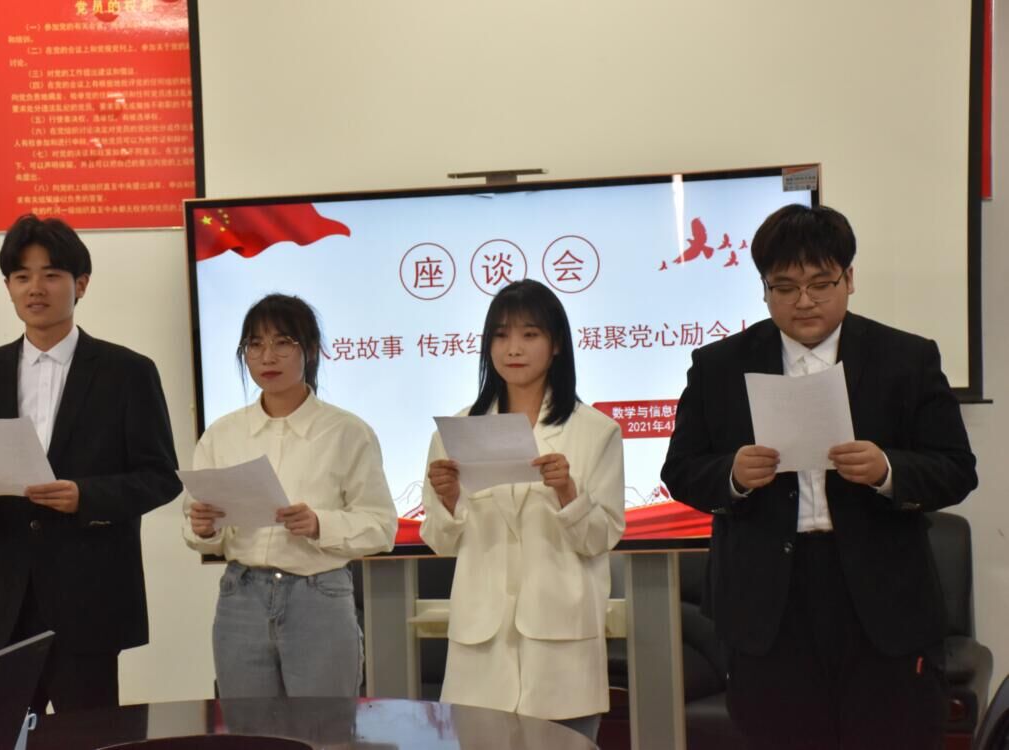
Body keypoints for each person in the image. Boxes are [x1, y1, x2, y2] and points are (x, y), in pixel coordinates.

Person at [661, 204, 978, 749]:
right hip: (768, 604)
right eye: (784, 287)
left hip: (881, 600)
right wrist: (732, 475)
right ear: (764, 289)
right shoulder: (719, 366)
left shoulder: (906, 358)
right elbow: (682, 470)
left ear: (849, 279)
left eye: (820, 284)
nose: (803, 301)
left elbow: (956, 469)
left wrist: (887, 469)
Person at [0, 214, 182, 712]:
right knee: (4, 737)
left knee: (88, 738)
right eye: (21, 276)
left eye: (51, 275)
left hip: (89, 601)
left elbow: (160, 477)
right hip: (5, 605)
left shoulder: (127, 372)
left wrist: (86, 496)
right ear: (8, 286)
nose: (35, 288)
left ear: (80, 284)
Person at [419, 279, 625, 742]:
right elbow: (440, 542)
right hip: (481, 646)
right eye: (501, 335)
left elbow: (602, 537)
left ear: (556, 345)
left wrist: (568, 493)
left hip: (560, 645)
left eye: (530, 334)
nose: (513, 348)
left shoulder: (595, 431)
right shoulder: (457, 431)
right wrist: (449, 501)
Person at [182, 294, 397, 698]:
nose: (268, 357)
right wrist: (204, 527)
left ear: (311, 350)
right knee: (249, 727)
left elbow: (382, 526)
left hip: (318, 594)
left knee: (324, 726)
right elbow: (196, 528)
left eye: (283, 343)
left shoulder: (347, 432)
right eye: (255, 344)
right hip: (241, 596)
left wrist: (320, 524)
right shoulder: (222, 434)